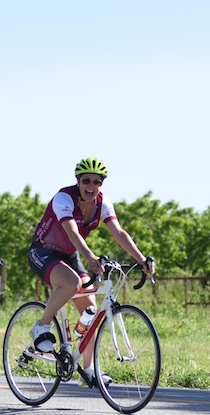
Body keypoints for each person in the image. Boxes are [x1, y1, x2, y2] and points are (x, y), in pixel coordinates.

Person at [26, 157, 155, 387]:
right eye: (86, 181)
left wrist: (141, 258)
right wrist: (90, 257)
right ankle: (41, 326)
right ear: (78, 181)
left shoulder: (102, 204)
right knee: (71, 283)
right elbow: (72, 232)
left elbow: (119, 233)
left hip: (70, 256)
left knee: (91, 310)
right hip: (43, 251)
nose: (91, 186)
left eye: (97, 182)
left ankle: (89, 369)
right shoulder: (64, 198)